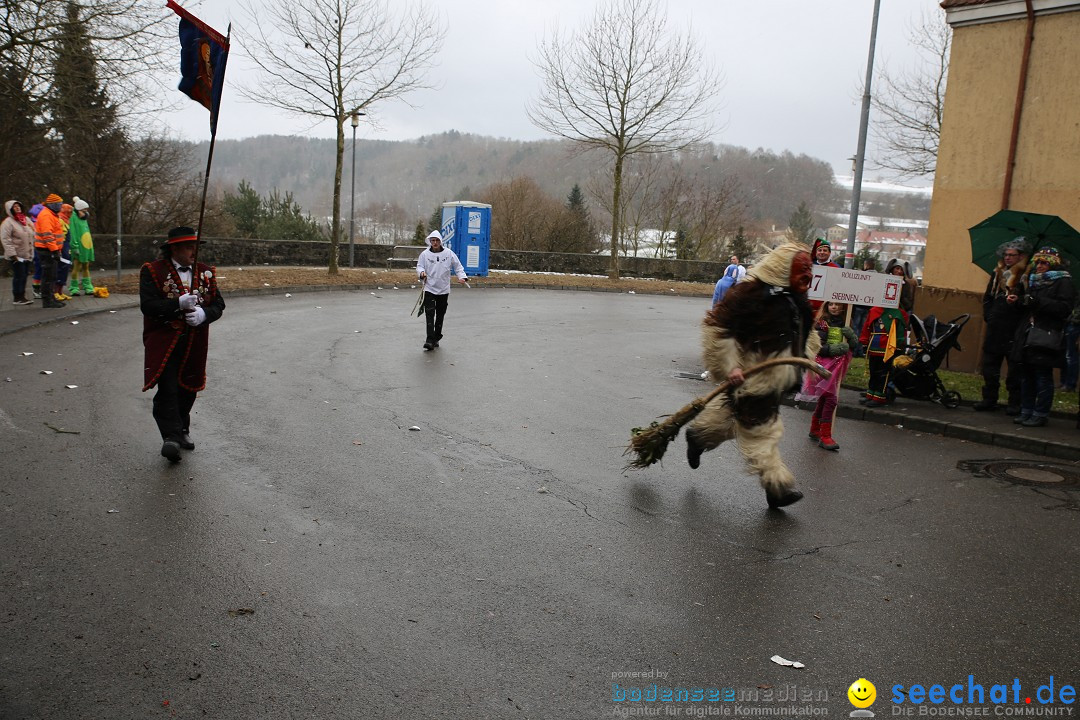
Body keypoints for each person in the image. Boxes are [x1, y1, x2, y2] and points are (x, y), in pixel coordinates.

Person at [684, 242, 819, 509]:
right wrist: (729, 366)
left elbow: (805, 331)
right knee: (762, 429)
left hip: (776, 379)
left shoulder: (795, 298)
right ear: (784, 267)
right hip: (753, 377)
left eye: (810, 269)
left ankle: (699, 436)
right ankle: (776, 487)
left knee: (732, 418)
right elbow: (718, 327)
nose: (809, 275)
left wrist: (807, 354)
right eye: (803, 269)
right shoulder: (751, 292)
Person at [140, 227, 225, 462]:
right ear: (174, 249)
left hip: (195, 342)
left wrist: (204, 314)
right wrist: (177, 303)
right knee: (167, 388)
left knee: (189, 387)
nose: (194, 251)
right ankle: (171, 437)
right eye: (189, 247)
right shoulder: (153, 271)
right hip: (164, 341)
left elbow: (219, 305)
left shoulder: (206, 272)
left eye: (196, 247)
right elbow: (148, 306)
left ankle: (182, 429)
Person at [1009, 245, 1076, 428]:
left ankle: (1040, 413)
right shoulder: (1032, 281)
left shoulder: (1064, 282)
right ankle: (1027, 410)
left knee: (1042, 376)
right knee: (1027, 374)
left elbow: (1064, 308)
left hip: (1047, 333)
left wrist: (1038, 301)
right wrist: (1018, 301)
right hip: (1028, 333)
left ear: (1053, 265)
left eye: (1044, 263)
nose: (1039, 266)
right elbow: (1027, 305)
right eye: (1037, 262)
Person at [974, 237, 1030, 413]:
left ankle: (1015, 403)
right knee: (990, 367)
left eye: (1012, 255)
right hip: (995, 327)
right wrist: (989, 315)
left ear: (1020, 257)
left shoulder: (1025, 276)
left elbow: (1028, 301)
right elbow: (988, 297)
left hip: (1014, 329)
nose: (1008, 258)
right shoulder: (997, 272)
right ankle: (989, 399)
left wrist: (1018, 301)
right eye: (1006, 254)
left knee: (1014, 370)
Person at [800, 301, 860, 451]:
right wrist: (833, 349)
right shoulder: (821, 323)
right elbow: (816, 346)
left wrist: (851, 339)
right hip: (822, 365)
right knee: (831, 399)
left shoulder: (847, 323)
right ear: (826, 306)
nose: (834, 307)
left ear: (844, 307)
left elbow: (854, 346)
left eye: (838, 304)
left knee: (825, 397)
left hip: (837, 365)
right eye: (831, 304)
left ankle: (815, 428)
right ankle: (825, 435)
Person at [416, 230, 468, 351]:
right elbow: (420, 266)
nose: (435, 243)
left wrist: (462, 277)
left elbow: (458, 266)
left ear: (440, 241)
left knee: (440, 315)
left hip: (443, 289)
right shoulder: (424, 254)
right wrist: (421, 273)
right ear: (430, 241)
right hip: (429, 287)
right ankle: (429, 340)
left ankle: (436, 337)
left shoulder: (449, 253)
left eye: (437, 240)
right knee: (429, 314)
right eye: (432, 240)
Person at [859, 295, 909, 406]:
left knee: (883, 373)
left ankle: (879, 397)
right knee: (873, 372)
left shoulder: (898, 313)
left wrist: (899, 345)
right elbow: (867, 327)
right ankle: (870, 394)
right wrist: (865, 341)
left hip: (888, 348)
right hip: (874, 346)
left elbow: (901, 332)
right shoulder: (874, 310)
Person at [33, 194, 66, 309]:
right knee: (48, 276)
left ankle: (51, 298)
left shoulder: (51, 214)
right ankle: (47, 301)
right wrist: (55, 250)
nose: (61, 206)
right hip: (46, 250)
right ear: (54, 205)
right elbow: (48, 235)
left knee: (52, 275)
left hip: (49, 249)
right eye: (59, 204)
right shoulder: (46, 215)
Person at [2, 200, 35, 305]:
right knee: (19, 275)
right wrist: (12, 254)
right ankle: (17, 297)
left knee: (24, 275)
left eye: (18, 206)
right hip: (16, 255)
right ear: (10, 209)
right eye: (14, 207)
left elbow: (32, 233)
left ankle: (23, 296)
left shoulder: (26, 220)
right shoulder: (7, 223)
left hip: (27, 254)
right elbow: (5, 239)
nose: (17, 208)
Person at [67, 196, 95, 296]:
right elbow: (73, 233)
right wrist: (74, 246)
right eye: (84, 210)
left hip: (86, 245)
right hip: (79, 246)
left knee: (86, 266)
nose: (86, 212)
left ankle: (87, 285)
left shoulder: (83, 218)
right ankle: (74, 287)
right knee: (77, 266)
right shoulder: (74, 218)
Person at [54, 203, 73, 302]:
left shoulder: (66, 221)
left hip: (66, 247)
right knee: (60, 269)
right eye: (69, 212)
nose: (71, 214)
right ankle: (55, 292)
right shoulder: (60, 220)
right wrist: (60, 249)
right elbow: (59, 235)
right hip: (62, 247)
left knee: (64, 269)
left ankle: (60, 291)